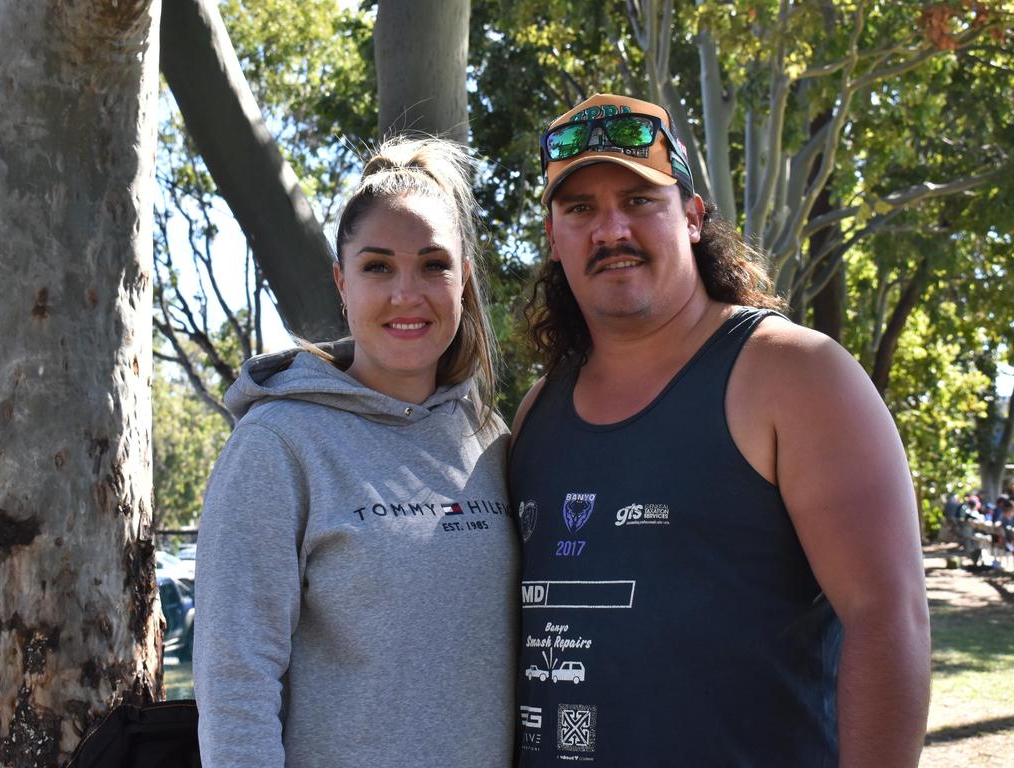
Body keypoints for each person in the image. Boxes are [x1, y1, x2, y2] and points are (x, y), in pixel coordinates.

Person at [509, 94, 930, 766]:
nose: (610, 228)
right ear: (554, 240)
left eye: (640, 199)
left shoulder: (796, 374)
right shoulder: (536, 413)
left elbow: (889, 619)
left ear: (694, 217)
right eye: (580, 208)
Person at [194, 136, 519, 767]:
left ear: (464, 280)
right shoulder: (278, 445)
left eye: (433, 265)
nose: (407, 294)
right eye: (377, 267)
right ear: (342, 282)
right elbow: (236, 682)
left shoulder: (488, 437)